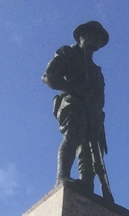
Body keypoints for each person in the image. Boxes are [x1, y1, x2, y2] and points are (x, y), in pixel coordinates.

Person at [43, 21, 114, 202]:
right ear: (81, 36)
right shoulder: (68, 53)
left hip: (93, 111)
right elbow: (49, 77)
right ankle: (62, 176)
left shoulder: (97, 72)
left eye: (98, 38)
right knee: (74, 135)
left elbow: (100, 99)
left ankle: (86, 183)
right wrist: (74, 88)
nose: (94, 40)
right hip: (72, 102)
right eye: (90, 35)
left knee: (89, 149)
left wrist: (98, 113)